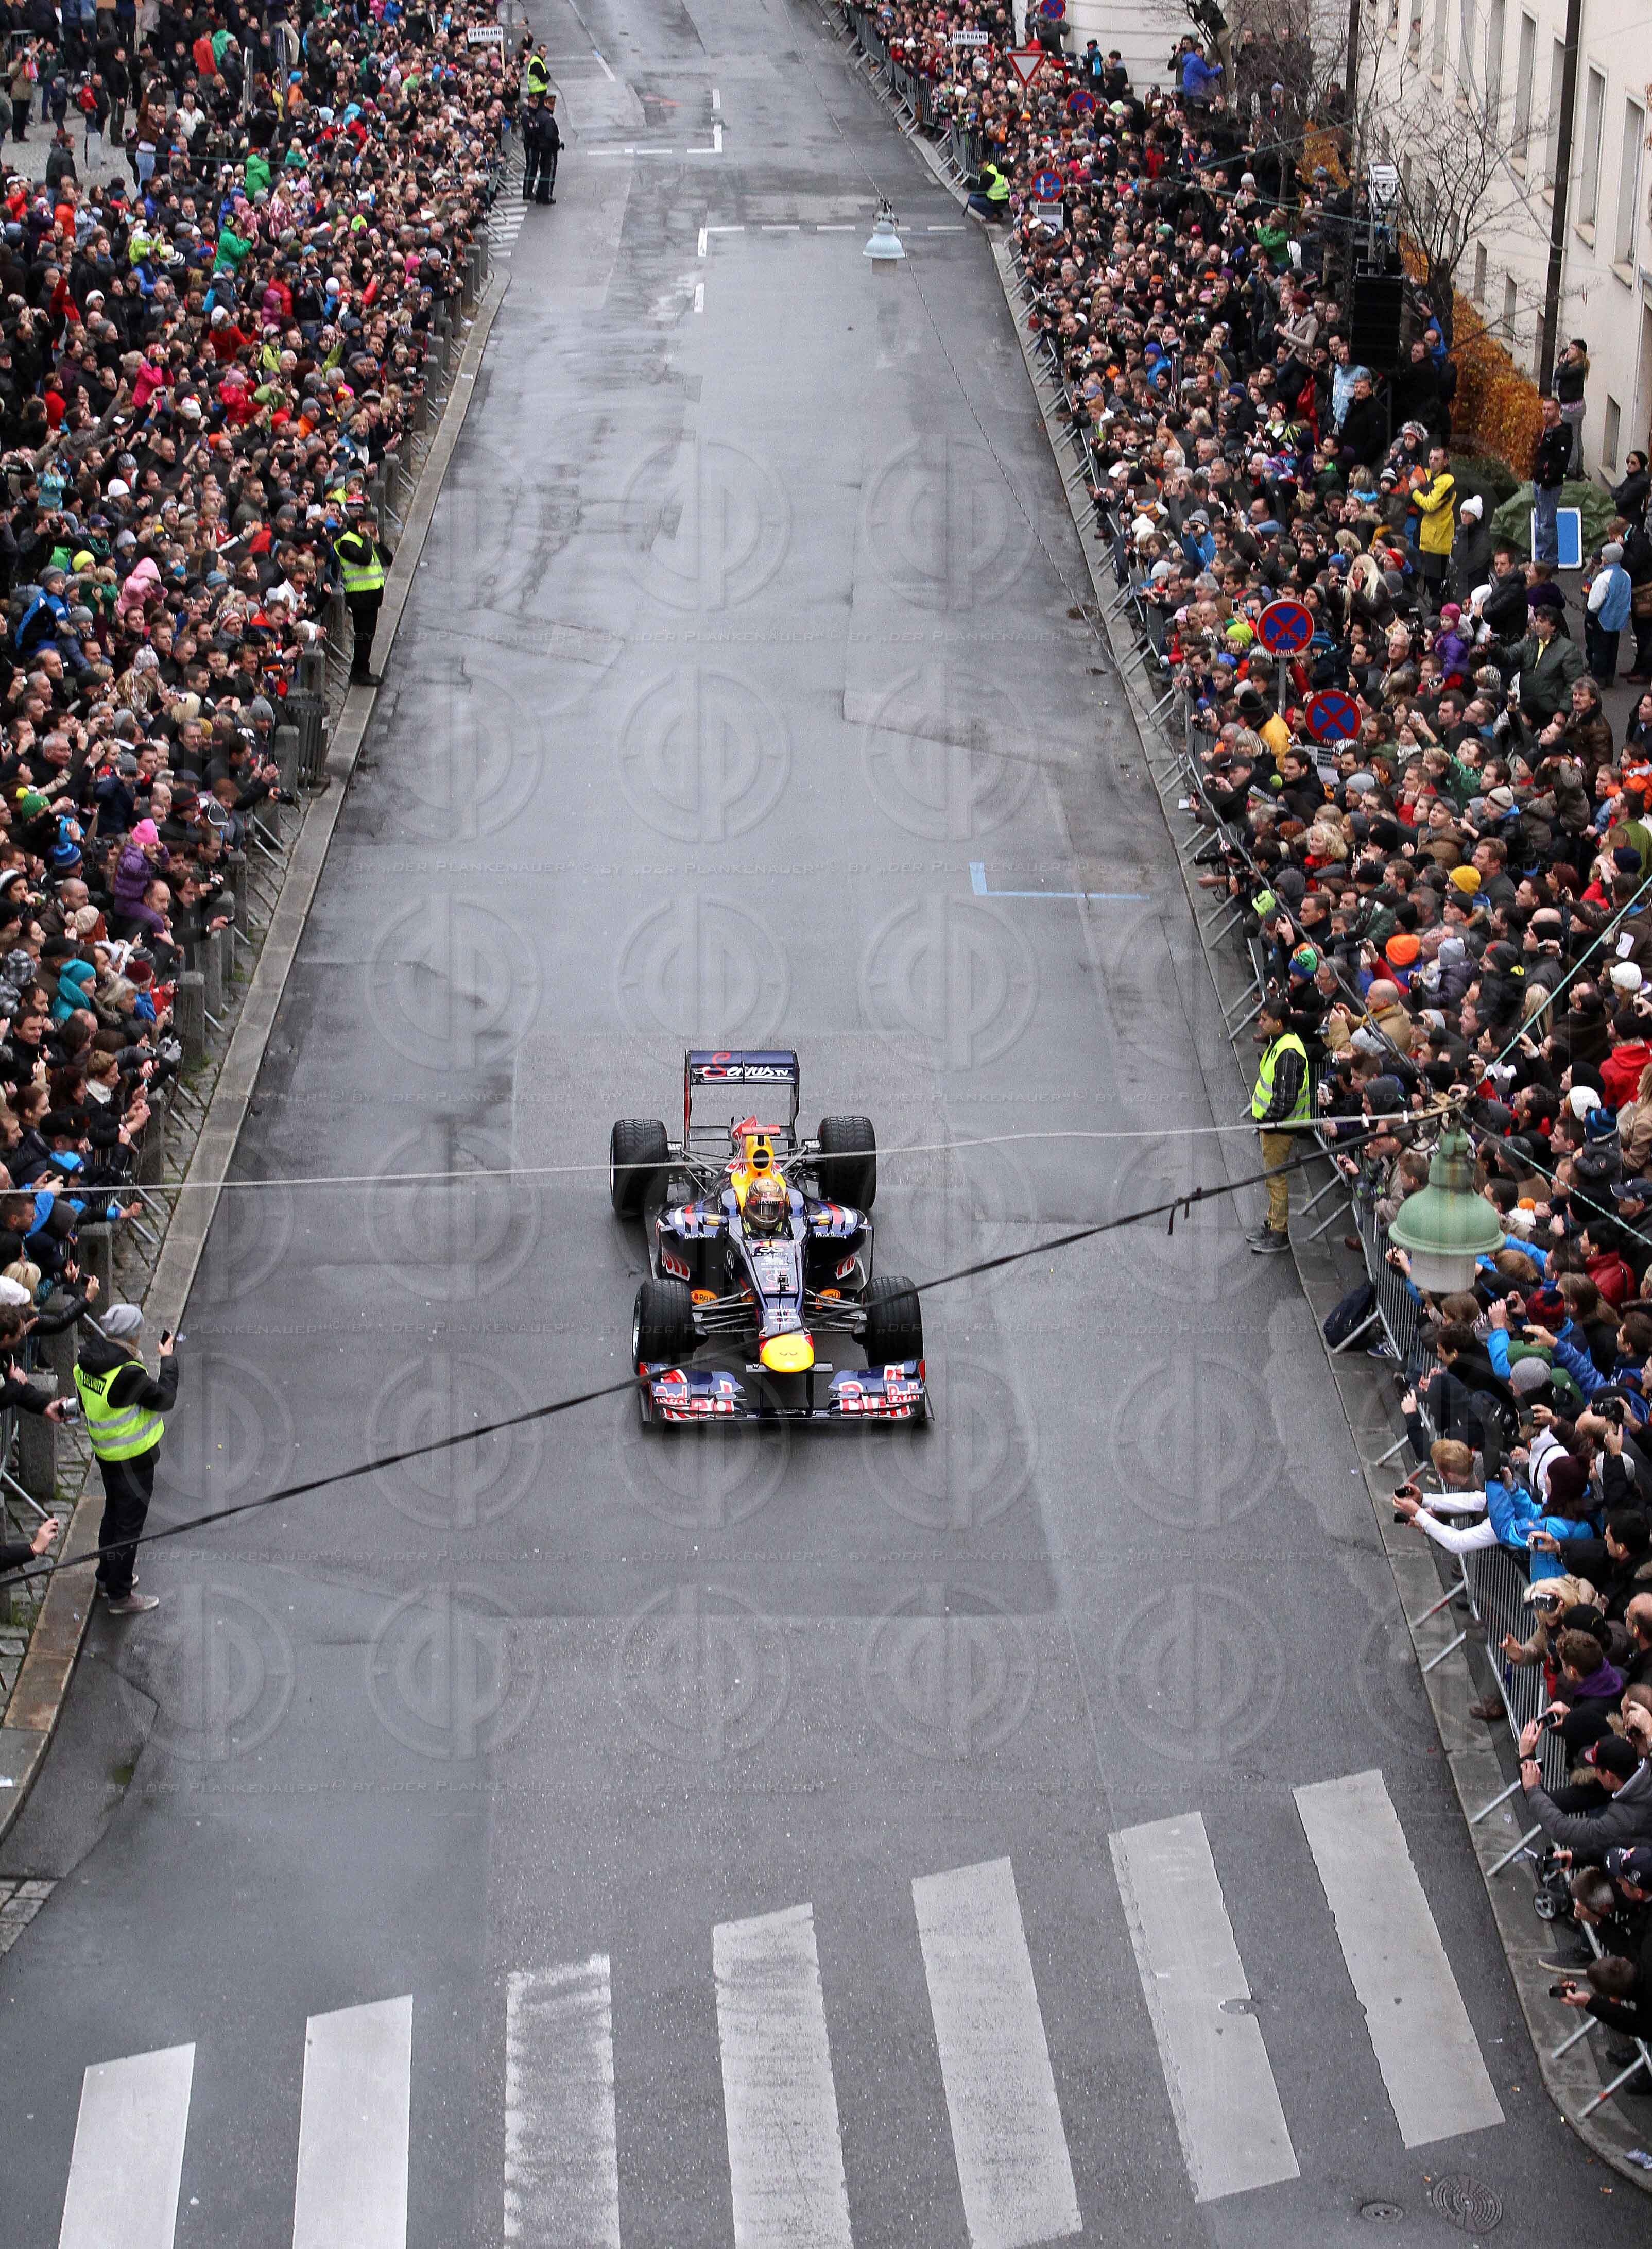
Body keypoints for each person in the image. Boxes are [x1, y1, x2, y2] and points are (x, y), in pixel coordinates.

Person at [74, 1302, 178, 1616]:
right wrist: (169, 1360)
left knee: (113, 1515)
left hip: (106, 1454)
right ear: (132, 1336)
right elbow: (165, 1399)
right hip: (133, 1459)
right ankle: (120, 1596)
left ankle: (107, 1577)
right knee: (128, 1527)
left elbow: (83, 1403)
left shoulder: (85, 1364)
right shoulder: (127, 1373)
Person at [1248, 992, 1310, 1254]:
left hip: (1279, 1127)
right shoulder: (1281, 1042)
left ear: (1280, 1023)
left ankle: (1279, 1233)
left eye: (1265, 1019)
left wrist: (1267, 1121)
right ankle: (1272, 1222)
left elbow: (1285, 1098)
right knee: (1271, 1177)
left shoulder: (1288, 1052)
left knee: (1275, 1179)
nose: (1260, 1023)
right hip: (1274, 1125)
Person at [332, 511, 393, 688]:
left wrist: (378, 542)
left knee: (368, 636)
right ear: (360, 523)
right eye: (370, 525)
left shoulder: (367, 540)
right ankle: (360, 673)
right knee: (363, 636)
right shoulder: (347, 541)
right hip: (360, 596)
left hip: (372, 595)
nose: (374, 528)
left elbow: (387, 559)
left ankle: (361, 669)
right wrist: (368, 539)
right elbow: (365, 559)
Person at [1532, 395, 1572, 566]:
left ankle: (1546, 562)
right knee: (1541, 522)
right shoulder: (1547, 429)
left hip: (1549, 487)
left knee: (1546, 525)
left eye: (1549, 409)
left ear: (1558, 411)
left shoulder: (1562, 435)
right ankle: (1545, 559)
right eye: (1544, 409)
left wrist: (1546, 481)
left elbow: (1560, 464)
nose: (1546, 413)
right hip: (1539, 482)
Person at [1586, 541, 1633, 685]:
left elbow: (1595, 602)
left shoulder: (1603, 577)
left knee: (1600, 649)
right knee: (1613, 649)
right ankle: (1609, 676)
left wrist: (1590, 617)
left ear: (1607, 558)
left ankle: (1599, 677)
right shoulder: (1626, 575)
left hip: (1602, 619)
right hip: (1619, 619)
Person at [965, 158, 1010, 223]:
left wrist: (973, 192)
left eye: (981, 163)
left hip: (995, 199)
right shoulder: (994, 168)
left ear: (986, 162)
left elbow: (980, 192)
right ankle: (997, 214)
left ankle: (991, 215)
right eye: (978, 164)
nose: (979, 166)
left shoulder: (987, 174)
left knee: (972, 199)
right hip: (1004, 198)